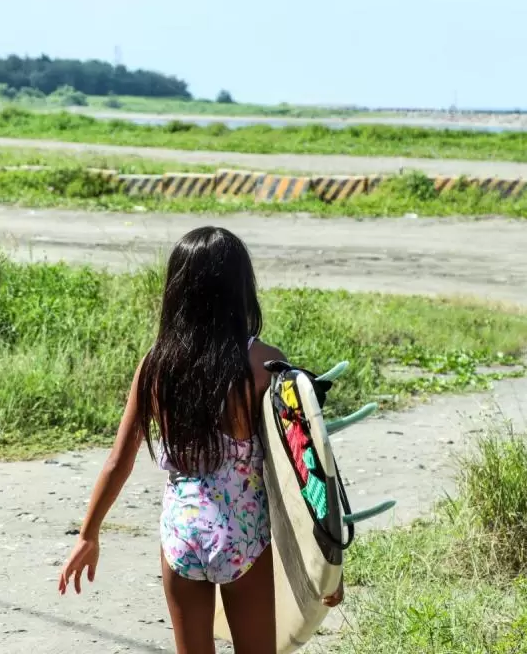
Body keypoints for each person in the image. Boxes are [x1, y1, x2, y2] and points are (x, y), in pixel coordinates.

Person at [57, 226, 344, 654]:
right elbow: (306, 470)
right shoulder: (264, 362)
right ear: (241, 288)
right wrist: (326, 563)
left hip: (180, 534)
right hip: (241, 536)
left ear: (177, 289)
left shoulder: (155, 365)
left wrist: (88, 534)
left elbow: (119, 460)